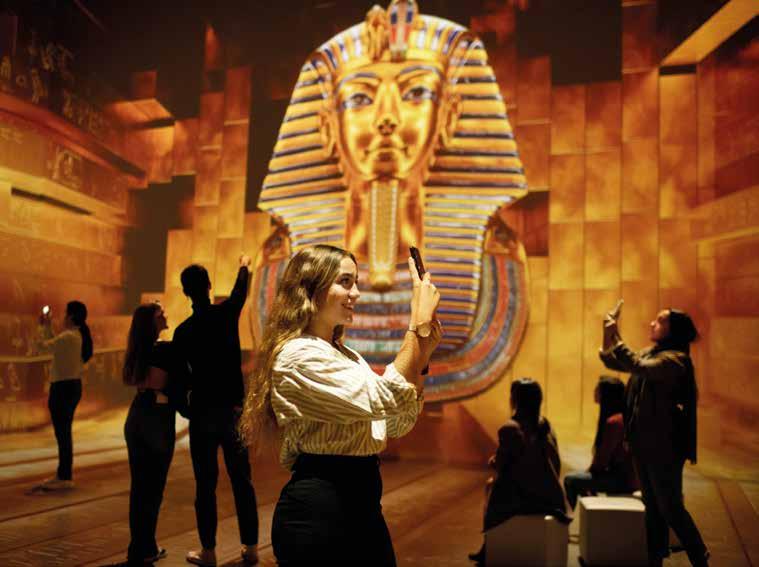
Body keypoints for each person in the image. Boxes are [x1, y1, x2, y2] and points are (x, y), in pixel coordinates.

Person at [239, 244, 441, 567]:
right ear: (311, 288)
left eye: (356, 282)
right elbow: (387, 397)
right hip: (318, 514)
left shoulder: (347, 356)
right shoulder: (297, 355)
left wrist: (423, 353)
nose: (356, 292)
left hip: (362, 507)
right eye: (345, 282)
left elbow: (396, 422)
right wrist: (416, 326)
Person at [600, 306, 709, 567]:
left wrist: (616, 334)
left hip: (664, 446)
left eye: (660, 321)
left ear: (674, 330)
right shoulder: (653, 353)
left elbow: (638, 366)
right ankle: (655, 560)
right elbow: (612, 361)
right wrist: (607, 333)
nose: (652, 323)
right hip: (643, 444)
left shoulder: (675, 360)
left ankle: (700, 557)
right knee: (653, 507)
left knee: (670, 507)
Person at [173, 255, 258, 567]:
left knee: (205, 485)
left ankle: (208, 552)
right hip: (232, 411)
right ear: (209, 286)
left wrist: (187, 409)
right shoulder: (225, 314)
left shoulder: (183, 332)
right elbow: (239, 292)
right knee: (241, 480)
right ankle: (251, 547)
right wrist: (244, 266)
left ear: (185, 292)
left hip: (203, 416)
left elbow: (178, 379)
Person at [112, 303, 187, 566]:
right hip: (158, 419)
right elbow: (181, 382)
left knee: (139, 489)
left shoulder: (137, 351)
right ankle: (144, 550)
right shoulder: (166, 350)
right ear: (152, 323)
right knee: (154, 490)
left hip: (136, 417)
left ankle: (141, 548)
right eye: (159, 314)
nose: (165, 315)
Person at [469, 378, 570, 566]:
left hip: (528, 499)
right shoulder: (544, 425)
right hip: (553, 499)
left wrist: (493, 460)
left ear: (515, 400)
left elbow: (501, 464)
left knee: (492, 485)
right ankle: (487, 545)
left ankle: (489, 544)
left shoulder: (510, 428)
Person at [33, 300, 93, 491]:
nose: (63, 316)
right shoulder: (75, 336)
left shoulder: (68, 337)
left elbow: (42, 347)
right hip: (72, 386)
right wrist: (48, 327)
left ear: (71, 316)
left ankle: (65, 476)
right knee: (64, 432)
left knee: (62, 433)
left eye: (65, 313)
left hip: (62, 388)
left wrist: (41, 326)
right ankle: (64, 473)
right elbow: (55, 342)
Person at [563, 376, 639, 509]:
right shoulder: (623, 418)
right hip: (628, 478)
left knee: (570, 480)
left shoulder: (614, 422)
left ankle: (577, 515)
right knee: (582, 480)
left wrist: (588, 473)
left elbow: (601, 462)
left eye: (598, 389)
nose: (594, 391)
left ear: (606, 395)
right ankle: (593, 509)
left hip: (623, 480)